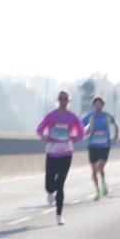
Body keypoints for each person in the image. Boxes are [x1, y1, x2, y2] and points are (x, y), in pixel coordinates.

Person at [35, 91, 85, 225]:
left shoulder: (72, 117)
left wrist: (75, 138)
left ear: (69, 101)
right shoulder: (51, 116)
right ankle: (51, 193)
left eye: (66, 99)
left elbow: (81, 133)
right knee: (50, 185)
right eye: (61, 99)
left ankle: (59, 215)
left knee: (61, 184)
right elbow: (39, 129)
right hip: (52, 152)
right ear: (58, 100)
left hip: (66, 153)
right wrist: (45, 137)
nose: (63, 101)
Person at [81, 97, 119, 201]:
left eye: (100, 104)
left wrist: (115, 136)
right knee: (94, 171)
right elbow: (80, 126)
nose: (98, 106)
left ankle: (103, 183)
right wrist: (86, 132)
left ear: (103, 105)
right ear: (93, 106)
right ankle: (98, 191)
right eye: (96, 104)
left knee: (99, 166)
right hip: (93, 147)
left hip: (104, 146)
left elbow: (115, 125)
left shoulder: (107, 116)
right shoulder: (90, 117)